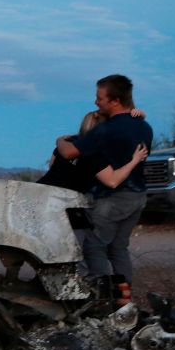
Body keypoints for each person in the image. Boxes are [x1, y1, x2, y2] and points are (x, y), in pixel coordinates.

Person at [56, 75, 153, 305]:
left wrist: (60, 140)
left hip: (111, 199)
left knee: (94, 247)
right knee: (119, 248)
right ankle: (123, 300)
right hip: (137, 196)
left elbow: (69, 153)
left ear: (115, 100)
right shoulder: (145, 126)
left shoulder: (105, 131)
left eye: (100, 98)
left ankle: (101, 300)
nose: (96, 102)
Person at [38, 109, 148, 194]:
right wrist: (135, 160)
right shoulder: (95, 153)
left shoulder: (67, 142)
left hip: (39, 189)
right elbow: (112, 181)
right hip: (62, 200)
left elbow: (52, 165)